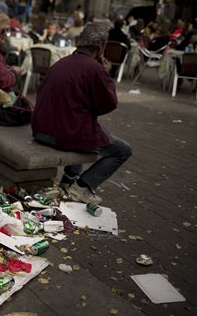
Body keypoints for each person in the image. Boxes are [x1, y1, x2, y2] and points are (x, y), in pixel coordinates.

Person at [31, 23, 132, 205]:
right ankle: (83, 186)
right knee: (122, 150)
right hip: (64, 134)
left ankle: (69, 180)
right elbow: (108, 104)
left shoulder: (61, 62)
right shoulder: (94, 68)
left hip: (41, 129)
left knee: (78, 125)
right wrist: (105, 74)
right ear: (100, 45)